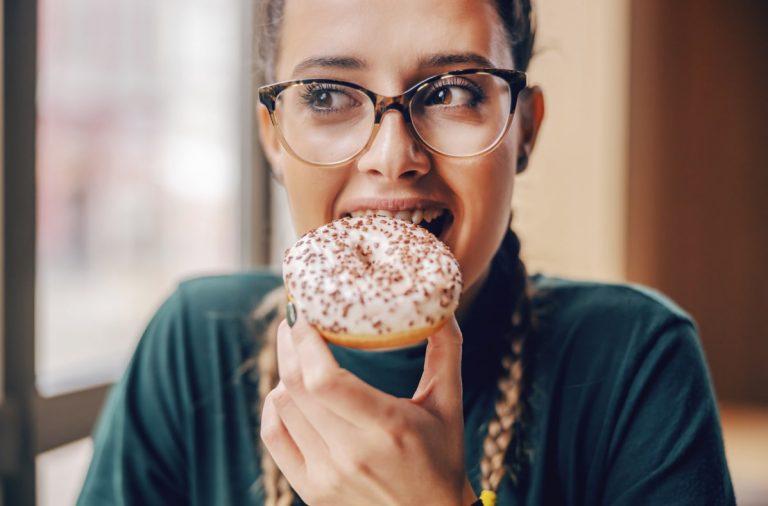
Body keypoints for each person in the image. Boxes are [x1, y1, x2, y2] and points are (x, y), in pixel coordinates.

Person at [77, 0, 735, 504]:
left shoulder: (636, 360)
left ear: (524, 129)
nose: (393, 157)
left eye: (451, 90)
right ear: (274, 138)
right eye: (328, 95)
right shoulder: (194, 343)